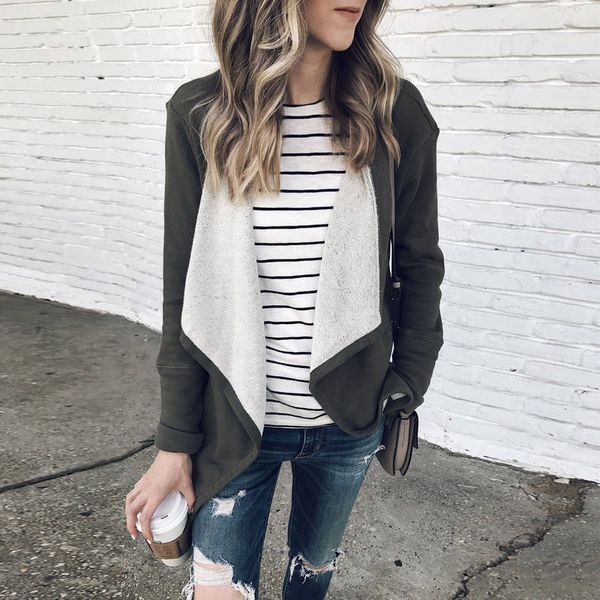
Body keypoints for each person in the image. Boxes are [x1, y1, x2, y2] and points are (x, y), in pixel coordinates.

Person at [125, 0, 444, 598]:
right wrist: (174, 441)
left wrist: (407, 381)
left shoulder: (393, 111)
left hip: (349, 418)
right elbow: (185, 288)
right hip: (236, 418)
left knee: (312, 573)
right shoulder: (201, 114)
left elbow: (419, 262)